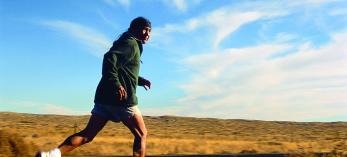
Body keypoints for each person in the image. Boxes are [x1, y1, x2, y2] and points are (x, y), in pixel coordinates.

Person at [35, 17, 152, 157]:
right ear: (135, 28)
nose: (147, 34)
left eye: (150, 31)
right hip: (122, 99)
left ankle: (51, 155)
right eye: (145, 29)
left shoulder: (130, 43)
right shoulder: (130, 43)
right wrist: (116, 84)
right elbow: (109, 59)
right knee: (141, 134)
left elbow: (122, 70)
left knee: (87, 135)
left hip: (104, 98)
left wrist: (139, 80)